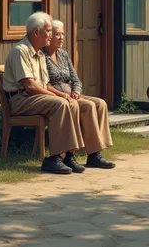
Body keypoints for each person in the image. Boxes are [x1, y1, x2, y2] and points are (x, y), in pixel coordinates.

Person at [2, 12, 113, 174]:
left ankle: (69, 155)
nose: (51, 35)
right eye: (49, 31)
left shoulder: (38, 53)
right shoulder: (21, 51)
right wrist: (58, 96)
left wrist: (64, 95)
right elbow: (30, 86)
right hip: (21, 100)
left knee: (72, 103)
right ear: (36, 32)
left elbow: (45, 84)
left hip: (34, 97)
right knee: (61, 104)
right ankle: (54, 158)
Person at [43, 20, 114, 172]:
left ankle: (95, 154)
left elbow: (75, 78)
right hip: (58, 96)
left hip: (72, 94)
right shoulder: (42, 56)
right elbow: (45, 84)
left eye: (63, 33)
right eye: (57, 34)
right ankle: (80, 154)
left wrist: (76, 90)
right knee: (88, 106)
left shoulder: (63, 54)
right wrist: (63, 95)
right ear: (49, 36)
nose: (61, 37)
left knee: (100, 103)